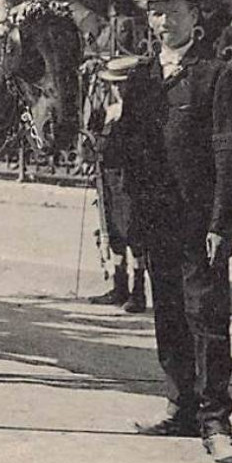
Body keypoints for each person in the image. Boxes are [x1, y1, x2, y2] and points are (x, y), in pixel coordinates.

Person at [117, 0, 232, 463]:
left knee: (207, 318)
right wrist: (129, 223)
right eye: (156, 12)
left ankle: (216, 422)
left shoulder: (216, 76)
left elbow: (231, 157)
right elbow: (128, 155)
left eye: (175, 11)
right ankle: (180, 408)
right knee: (168, 314)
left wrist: (223, 224)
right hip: (157, 222)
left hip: (201, 226)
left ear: (196, 18)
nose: (164, 21)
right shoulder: (141, 78)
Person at [82, 55, 150, 312]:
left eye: (123, 83)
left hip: (130, 180)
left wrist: (102, 146)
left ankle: (138, 291)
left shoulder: (139, 113)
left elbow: (128, 147)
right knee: (112, 231)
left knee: (134, 233)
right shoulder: (109, 111)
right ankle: (119, 286)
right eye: (114, 83)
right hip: (108, 178)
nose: (118, 88)